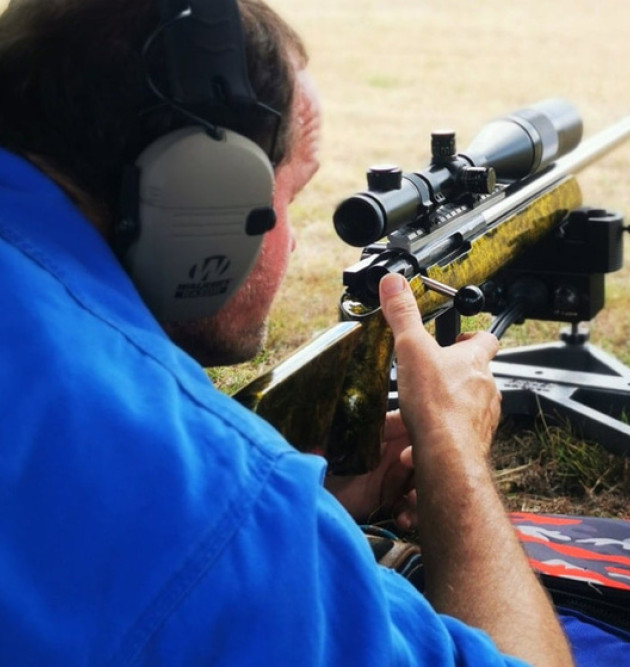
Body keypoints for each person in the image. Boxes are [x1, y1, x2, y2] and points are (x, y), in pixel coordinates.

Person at [0, 0, 573, 664]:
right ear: (205, 199)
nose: (295, 241)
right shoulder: (220, 497)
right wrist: (454, 450)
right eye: (289, 196)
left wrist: (311, 515)